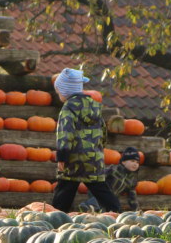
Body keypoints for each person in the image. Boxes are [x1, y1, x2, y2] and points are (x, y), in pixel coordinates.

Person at [51, 68, 121, 213]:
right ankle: (116, 211)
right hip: (94, 157)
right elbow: (103, 131)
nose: (58, 95)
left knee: (65, 188)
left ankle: (57, 215)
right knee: (100, 188)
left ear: (65, 91)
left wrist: (62, 157)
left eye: (58, 92)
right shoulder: (94, 106)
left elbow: (65, 134)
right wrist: (99, 149)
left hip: (73, 158)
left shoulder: (68, 108)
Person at [79, 147, 140, 212]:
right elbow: (99, 177)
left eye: (137, 162)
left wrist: (137, 211)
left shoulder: (133, 180)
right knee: (98, 200)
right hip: (100, 192)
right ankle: (86, 206)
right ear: (123, 162)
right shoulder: (113, 169)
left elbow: (132, 198)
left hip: (112, 198)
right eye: (132, 161)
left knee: (115, 209)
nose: (135, 164)